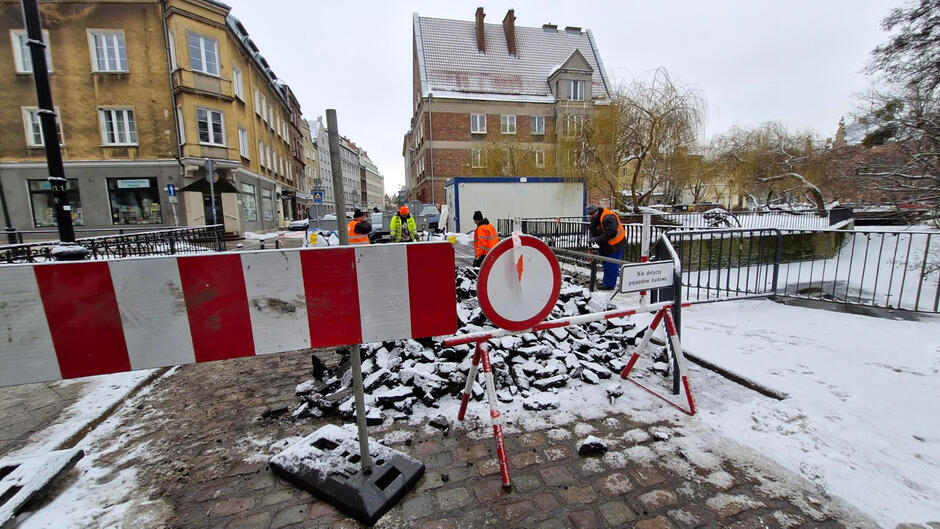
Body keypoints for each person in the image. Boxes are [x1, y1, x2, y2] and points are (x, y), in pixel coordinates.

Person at [587, 204, 626, 290]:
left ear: (596, 211)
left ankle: (609, 285)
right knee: (606, 263)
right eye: (590, 215)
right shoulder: (595, 217)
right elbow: (592, 229)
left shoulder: (608, 217)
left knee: (611, 264)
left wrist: (596, 239)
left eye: (592, 214)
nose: (591, 216)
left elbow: (611, 233)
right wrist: (591, 239)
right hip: (607, 244)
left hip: (616, 243)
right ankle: (607, 282)